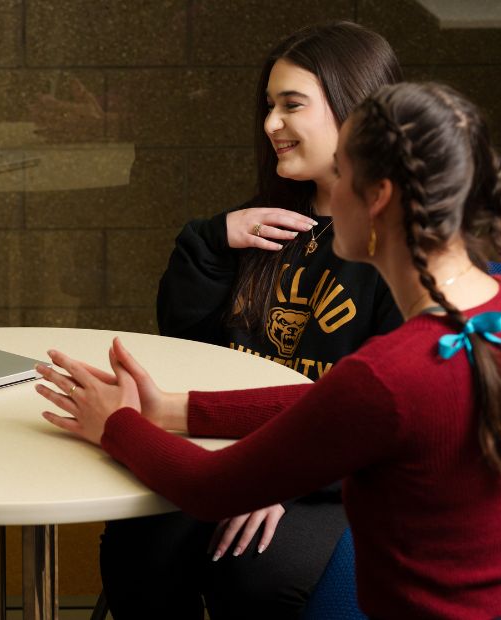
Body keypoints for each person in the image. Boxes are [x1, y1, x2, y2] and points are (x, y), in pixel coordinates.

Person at [37, 82, 501, 618]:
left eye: (341, 172)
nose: (329, 191)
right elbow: (332, 408)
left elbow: (208, 489)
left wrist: (120, 425)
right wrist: (172, 409)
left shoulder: (392, 375)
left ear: (380, 198)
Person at [114, 21, 403, 618]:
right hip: (230, 446)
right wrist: (211, 240)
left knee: (253, 572)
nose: (271, 123)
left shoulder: (403, 249)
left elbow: (389, 415)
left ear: (358, 112)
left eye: (291, 105)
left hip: (335, 476)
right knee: (137, 547)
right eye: (267, 106)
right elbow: (188, 343)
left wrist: (284, 479)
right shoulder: (260, 223)